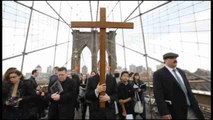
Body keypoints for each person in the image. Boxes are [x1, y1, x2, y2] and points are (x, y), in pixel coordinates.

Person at [153, 52, 205, 119]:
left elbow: (188, 89)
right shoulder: (158, 74)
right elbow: (158, 94)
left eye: (175, 58)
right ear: (165, 60)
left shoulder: (181, 71)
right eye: (171, 58)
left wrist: (195, 103)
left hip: (191, 107)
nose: (175, 59)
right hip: (175, 110)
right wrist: (164, 112)